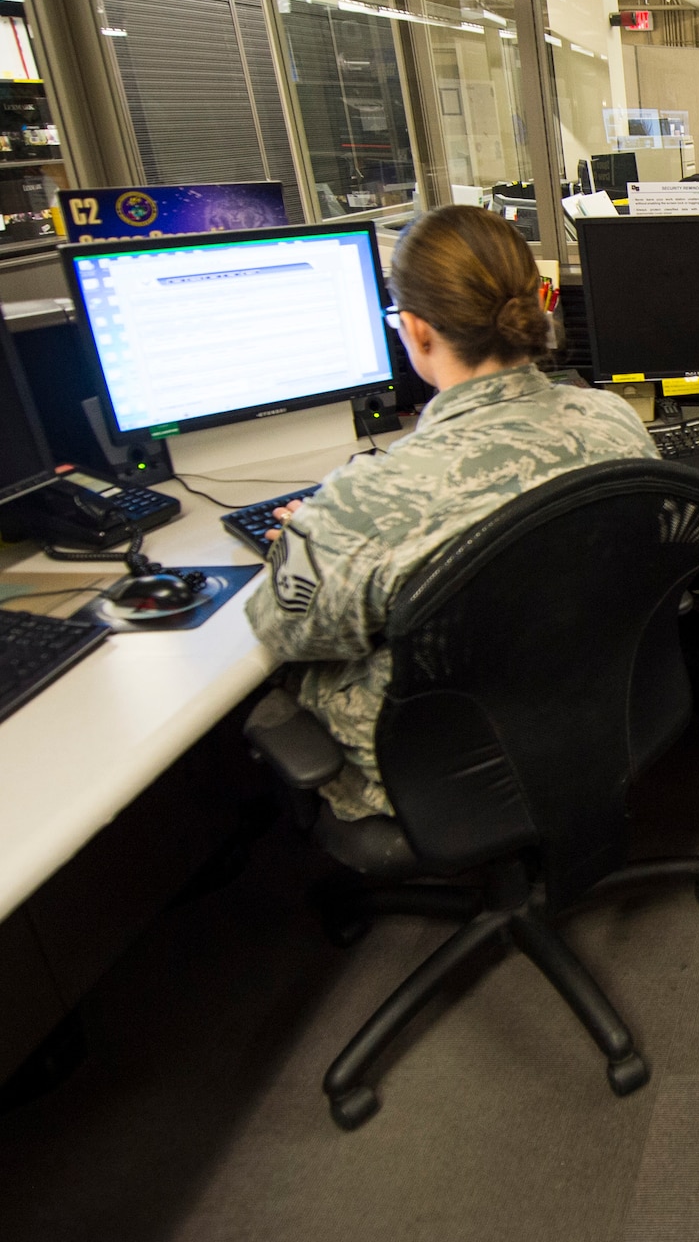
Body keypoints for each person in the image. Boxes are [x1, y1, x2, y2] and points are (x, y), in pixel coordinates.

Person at [244, 206, 659, 824]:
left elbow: (280, 626)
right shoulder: (614, 419)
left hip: (440, 768)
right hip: (600, 714)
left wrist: (309, 535)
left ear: (416, 330)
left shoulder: (370, 498)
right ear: (539, 300)